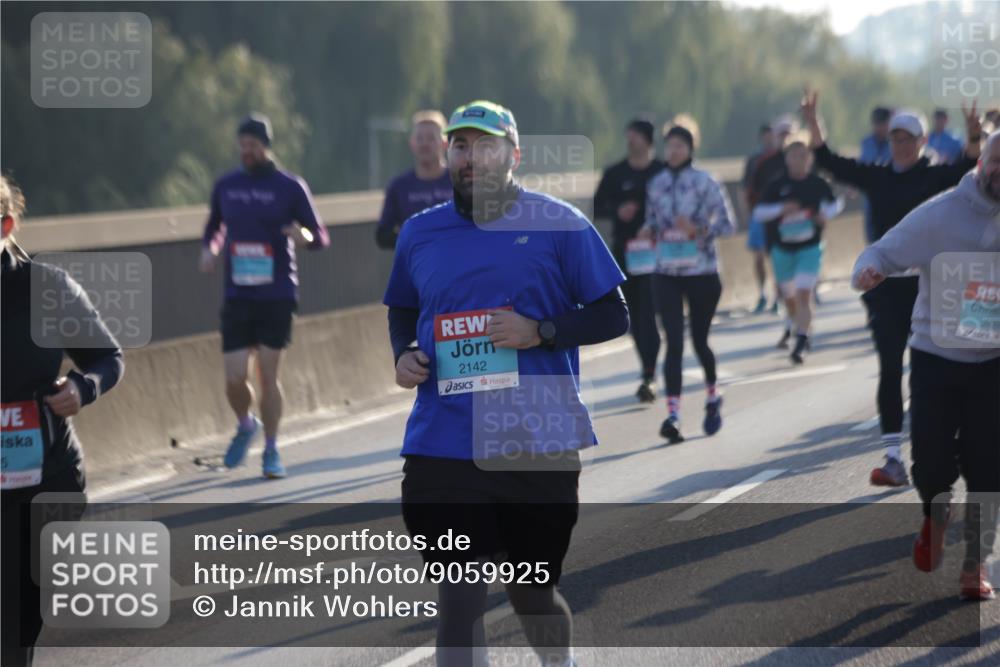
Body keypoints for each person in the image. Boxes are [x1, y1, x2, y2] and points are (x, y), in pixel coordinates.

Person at [384, 100, 628, 667]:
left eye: (485, 145)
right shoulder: (420, 233)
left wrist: (540, 330)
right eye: (461, 146)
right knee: (459, 600)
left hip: (537, 440)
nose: (471, 158)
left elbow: (614, 313)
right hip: (443, 443)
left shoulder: (560, 223)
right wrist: (403, 355)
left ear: (513, 155)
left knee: (531, 592)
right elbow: (402, 307)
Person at [801, 90, 982, 487]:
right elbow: (831, 162)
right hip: (885, 287)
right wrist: (814, 125)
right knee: (888, 366)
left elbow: (971, 168)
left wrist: (973, 136)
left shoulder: (935, 177)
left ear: (922, 142)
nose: (899, 146)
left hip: (935, 289)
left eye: (907, 139)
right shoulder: (878, 175)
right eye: (894, 139)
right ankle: (892, 457)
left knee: (932, 375)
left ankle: (943, 448)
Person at [852, 130, 1000, 600]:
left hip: (994, 362)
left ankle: (975, 565)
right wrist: (869, 270)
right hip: (937, 356)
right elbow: (882, 249)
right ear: (981, 165)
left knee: (990, 468)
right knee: (932, 466)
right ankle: (935, 514)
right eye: (998, 163)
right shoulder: (941, 214)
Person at [1, 175, 125, 666]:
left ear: (6, 224)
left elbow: (107, 357)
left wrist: (81, 387)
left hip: (45, 481)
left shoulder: (45, 287)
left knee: (16, 620)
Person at [200, 113, 330, 479]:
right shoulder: (227, 185)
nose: (247, 152)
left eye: (253, 146)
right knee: (233, 377)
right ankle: (245, 424)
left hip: (277, 293)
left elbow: (319, 236)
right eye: (242, 146)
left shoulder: (290, 186)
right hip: (238, 293)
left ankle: (272, 451)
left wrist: (301, 235)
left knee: (268, 375)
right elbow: (214, 228)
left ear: (266, 146)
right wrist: (210, 249)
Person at [639, 115, 737, 444]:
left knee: (699, 340)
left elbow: (728, 224)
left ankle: (712, 394)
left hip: (702, 273)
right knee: (674, 344)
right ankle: (673, 416)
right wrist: (648, 231)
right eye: (670, 147)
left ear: (691, 148)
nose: (674, 151)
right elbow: (651, 219)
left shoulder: (706, 182)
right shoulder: (656, 184)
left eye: (680, 146)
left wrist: (699, 230)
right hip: (666, 271)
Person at [752, 132, 842, 363]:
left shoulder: (817, 183)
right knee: (789, 297)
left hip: (810, 247)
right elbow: (759, 213)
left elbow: (836, 204)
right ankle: (799, 326)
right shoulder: (777, 185)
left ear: (810, 158)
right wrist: (781, 210)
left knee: (804, 294)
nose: (799, 159)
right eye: (794, 155)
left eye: (803, 155)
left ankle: (801, 341)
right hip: (782, 248)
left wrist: (824, 215)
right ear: (787, 158)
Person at [594, 118, 664, 402]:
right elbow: (598, 205)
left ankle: (649, 374)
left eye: (634, 135)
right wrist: (617, 209)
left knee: (648, 312)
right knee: (633, 315)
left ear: (647, 139)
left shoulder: (662, 172)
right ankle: (647, 367)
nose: (630, 140)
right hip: (625, 252)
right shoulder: (615, 173)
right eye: (628, 135)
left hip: (658, 253)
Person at [375, 110, 453, 249]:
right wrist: (415, 238)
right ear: (411, 143)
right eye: (419, 138)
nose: (424, 144)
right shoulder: (399, 187)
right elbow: (383, 235)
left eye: (431, 138)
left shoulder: (460, 182)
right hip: (415, 266)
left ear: (445, 143)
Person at [749, 115, 798, 315]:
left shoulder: (806, 158)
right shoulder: (763, 162)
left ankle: (799, 322)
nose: (785, 138)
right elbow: (751, 193)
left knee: (798, 271)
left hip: (799, 224)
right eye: (782, 134)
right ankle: (780, 302)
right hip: (771, 224)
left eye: (789, 134)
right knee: (776, 262)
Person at [742, 123, 778, 314]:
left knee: (776, 256)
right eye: (765, 137)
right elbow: (745, 187)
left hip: (778, 214)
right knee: (758, 256)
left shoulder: (782, 157)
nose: (768, 140)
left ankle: (778, 295)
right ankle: (762, 293)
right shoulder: (754, 159)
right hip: (758, 211)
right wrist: (748, 212)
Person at [859, 107, 893, 244]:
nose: (879, 127)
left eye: (882, 123)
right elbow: (862, 165)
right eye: (876, 123)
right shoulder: (866, 143)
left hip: (893, 197)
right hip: (871, 199)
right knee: (872, 241)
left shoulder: (897, 143)